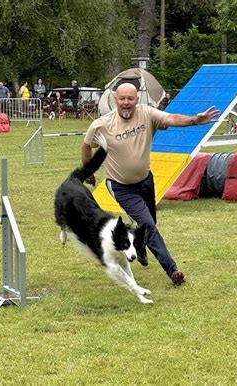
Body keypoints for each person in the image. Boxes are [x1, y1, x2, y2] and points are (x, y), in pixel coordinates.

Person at [81, 83, 220, 286]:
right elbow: (86, 145)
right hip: (121, 186)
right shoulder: (102, 125)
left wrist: (194, 121)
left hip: (146, 181)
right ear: (115, 100)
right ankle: (173, 271)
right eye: (122, 99)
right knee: (150, 226)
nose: (126, 103)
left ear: (137, 99)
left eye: (130, 98)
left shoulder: (147, 114)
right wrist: (88, 172)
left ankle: (139, 244)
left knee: (148, 227)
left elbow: (171, 118)